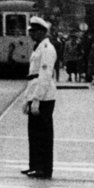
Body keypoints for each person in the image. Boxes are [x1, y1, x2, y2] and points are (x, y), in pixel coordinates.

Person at [22, 16, 58, 179]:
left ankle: (44, 168)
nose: (31, 34)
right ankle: (35, 165)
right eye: (31, 31)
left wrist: (36, 99)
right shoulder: (39, 48)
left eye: (34, 32)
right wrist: (27, 98)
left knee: (43, 134)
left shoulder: (47, 49)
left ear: (42, 32)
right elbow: (32, 76)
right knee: (34, 133)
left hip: (44, 97)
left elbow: (44, 76)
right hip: (36, 93)